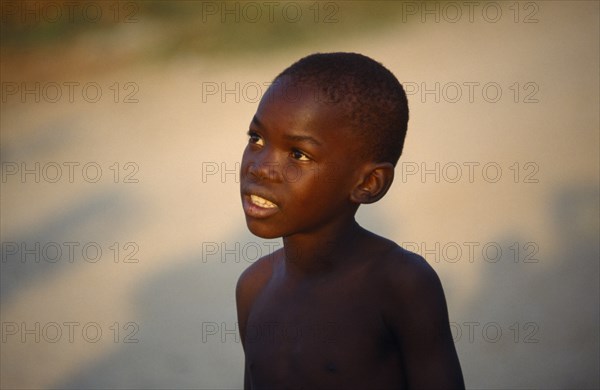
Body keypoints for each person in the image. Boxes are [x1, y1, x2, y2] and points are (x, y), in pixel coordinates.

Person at [236, 52, 464, 389]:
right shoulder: (253, 287)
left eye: (298, 154)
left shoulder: (401, 284)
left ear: (367, 184)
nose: (260, 167)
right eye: (257, 138)